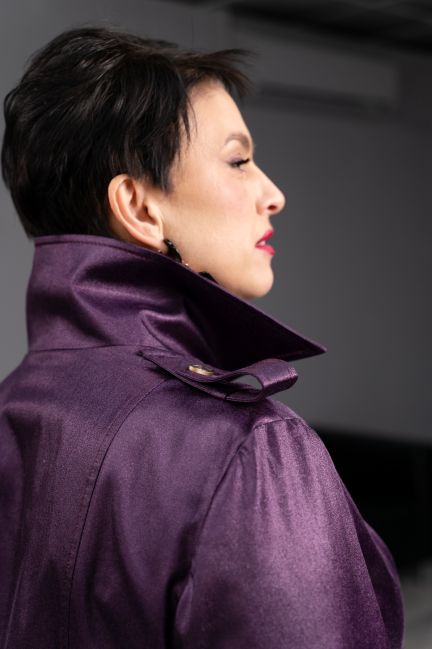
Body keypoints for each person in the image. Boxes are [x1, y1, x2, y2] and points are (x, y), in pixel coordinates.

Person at [0, 26, 404, 649]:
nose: (273, 194)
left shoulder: (13, 409)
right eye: (238, 161)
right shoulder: (247, 448)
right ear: (140, 207)